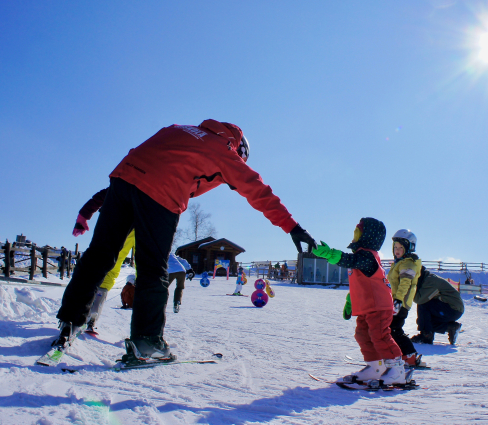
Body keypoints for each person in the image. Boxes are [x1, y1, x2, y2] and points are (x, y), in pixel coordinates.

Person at [54, 119, 317, 362]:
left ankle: (70, 320)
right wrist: (292, 227)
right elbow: (257, 189)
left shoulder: (177, 129)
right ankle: (147, 342)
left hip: (123, 178)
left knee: (99, 255)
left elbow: (140, 163)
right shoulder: (224, 151)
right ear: (240, 150)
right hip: (161, 193)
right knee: (153, 268)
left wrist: (88, 209)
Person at [313, 217, 407, 386]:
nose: (354, 234)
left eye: (358, 231)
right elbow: (359, 284)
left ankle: (397, 370)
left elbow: (352, 260)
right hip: (368, 306)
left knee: (379, 335)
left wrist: (330, 254)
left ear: (367, 236)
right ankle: (375, 366)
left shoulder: (367, 256)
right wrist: (350, 301)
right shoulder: (361, 256)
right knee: (363, 334)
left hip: (379, 305)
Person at [72, 188, 137, 333]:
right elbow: (107, 193)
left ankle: (144, 332)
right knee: (108, 267)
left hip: (145, 227)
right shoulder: (129, 177)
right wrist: (84, 214)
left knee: (148, 274)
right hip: (124, 225)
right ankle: (90, 316)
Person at [387, 229, 423, 367]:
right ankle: (398, 355)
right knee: (391, 329)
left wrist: (398, 301)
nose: (397, 250)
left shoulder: (408, 263)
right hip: (396, 301)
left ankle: (410, 356)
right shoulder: (399, 263)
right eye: (395, 247)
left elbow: (405, 284)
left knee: (394, 329)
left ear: (409, 248)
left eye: (401, 247)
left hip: (400, 303)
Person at [411, 266, 464, 345]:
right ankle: (451, 327)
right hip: (452, 309)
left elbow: (419, 299)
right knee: (425, 321)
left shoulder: (429, 281)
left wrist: (409, 288)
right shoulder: (425, 279)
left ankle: (426, 335)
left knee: (423, 304)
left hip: (453, 308)